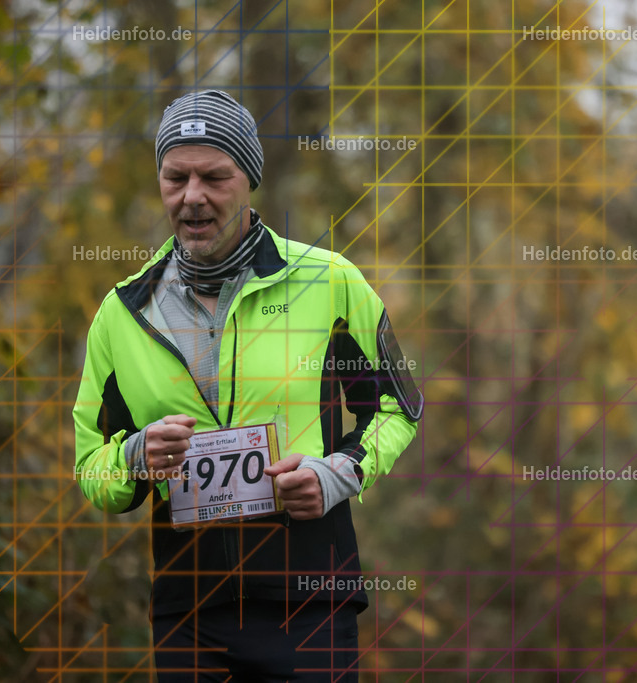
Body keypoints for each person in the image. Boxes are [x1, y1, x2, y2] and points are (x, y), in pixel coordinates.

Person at [73, 89, 423, 681]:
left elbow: (399, 406)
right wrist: (135, 456)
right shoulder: (122, 312)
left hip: (311, 598)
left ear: (250, 179)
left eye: (215, 176)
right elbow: (91, 464)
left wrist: (337, 475)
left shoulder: (329, 282)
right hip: (189, 612)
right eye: (175, 177)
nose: (193, 197)